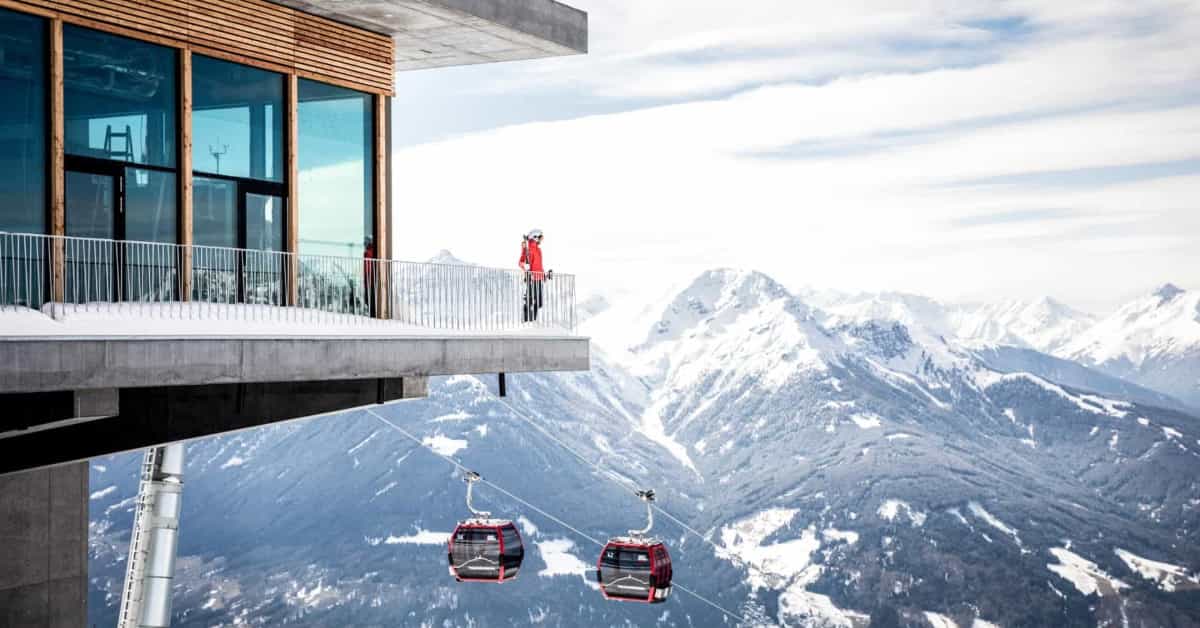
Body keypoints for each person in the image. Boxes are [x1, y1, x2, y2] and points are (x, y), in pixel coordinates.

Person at [519, 229, 546, 322]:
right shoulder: (529, 249)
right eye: (540, 238)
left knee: (539, 302)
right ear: (535, 237)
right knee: (530, 300)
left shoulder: (538, 250)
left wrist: (544, 275)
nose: (541, 240)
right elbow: (521, 262)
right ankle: (527, 321)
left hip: (539, 278)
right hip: (532, 278)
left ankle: (532, 320)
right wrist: (526, 268)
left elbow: (538, 265)